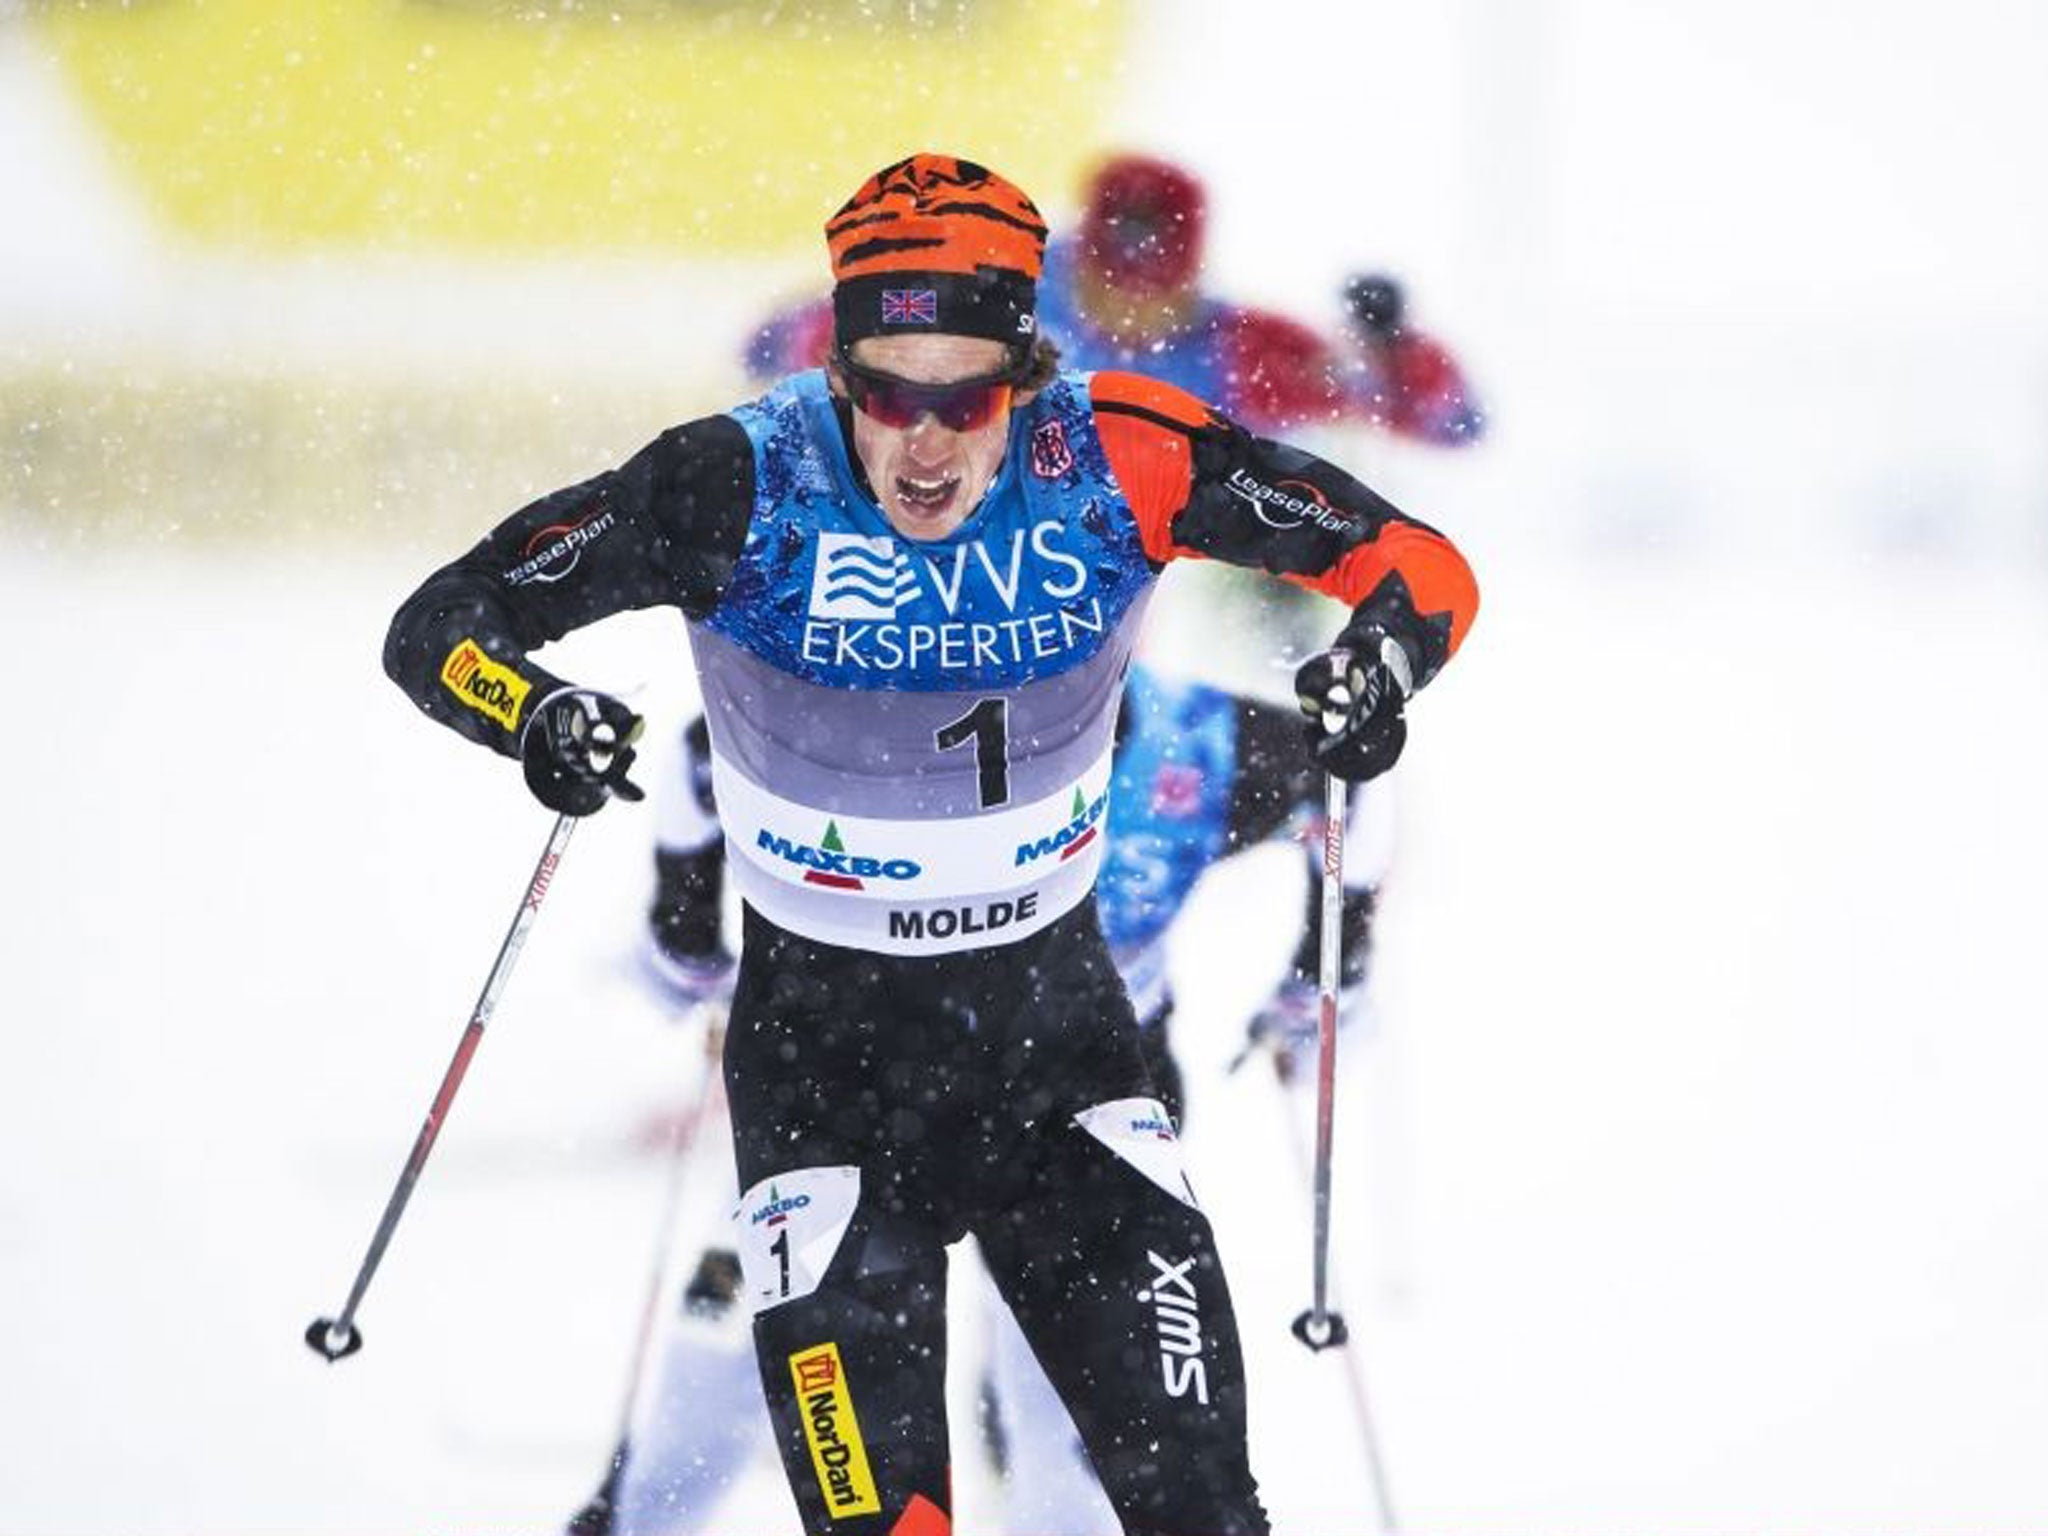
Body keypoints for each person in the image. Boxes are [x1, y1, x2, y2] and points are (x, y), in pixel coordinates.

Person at [384, 151, 1477, 1535]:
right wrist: (530, 714)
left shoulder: (1121, 452)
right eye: (883, 394)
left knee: (1197, 1508)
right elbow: (442, 624)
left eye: (965, 401)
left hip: (1066, 1074)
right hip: (826, 1086)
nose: (923, 444)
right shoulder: (734, 480)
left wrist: (1378, 665)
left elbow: (1419, 566)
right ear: (838, 366)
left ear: (1027, 368)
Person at [583, 660, 1383, 1535]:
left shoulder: (1205, 743)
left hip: (1068, 1105)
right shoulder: (881, 712)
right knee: (753, 1342)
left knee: (1064, 1420)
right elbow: (704, 758)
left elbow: (1350, 784)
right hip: (849, 1095)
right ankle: (638, 1513)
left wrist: (1326, 977)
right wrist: (688, 935)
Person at [750, 152, 1483, 443]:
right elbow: (783, 340)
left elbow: (1451, 421)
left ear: (1192, 278)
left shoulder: (1237, 352)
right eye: (1113, 289)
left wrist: (1395, 352)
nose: (1134, 314)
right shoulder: (986, 301)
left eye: (1158, 294)